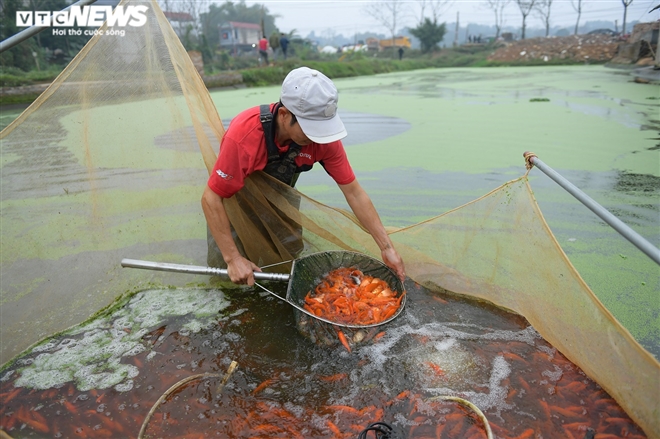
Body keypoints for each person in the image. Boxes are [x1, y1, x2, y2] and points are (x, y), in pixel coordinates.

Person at [202, 67, 406, 286]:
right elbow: (211, 198)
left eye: (322, 128)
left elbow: (354, 193)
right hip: (235, 206)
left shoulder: (325, 141)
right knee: (227, 277)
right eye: (311, 129)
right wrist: (232, 258)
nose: (318, 138)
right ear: (284, 115)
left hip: (282, 200)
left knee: (288, 268)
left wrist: (387, 248)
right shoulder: (244, 135)